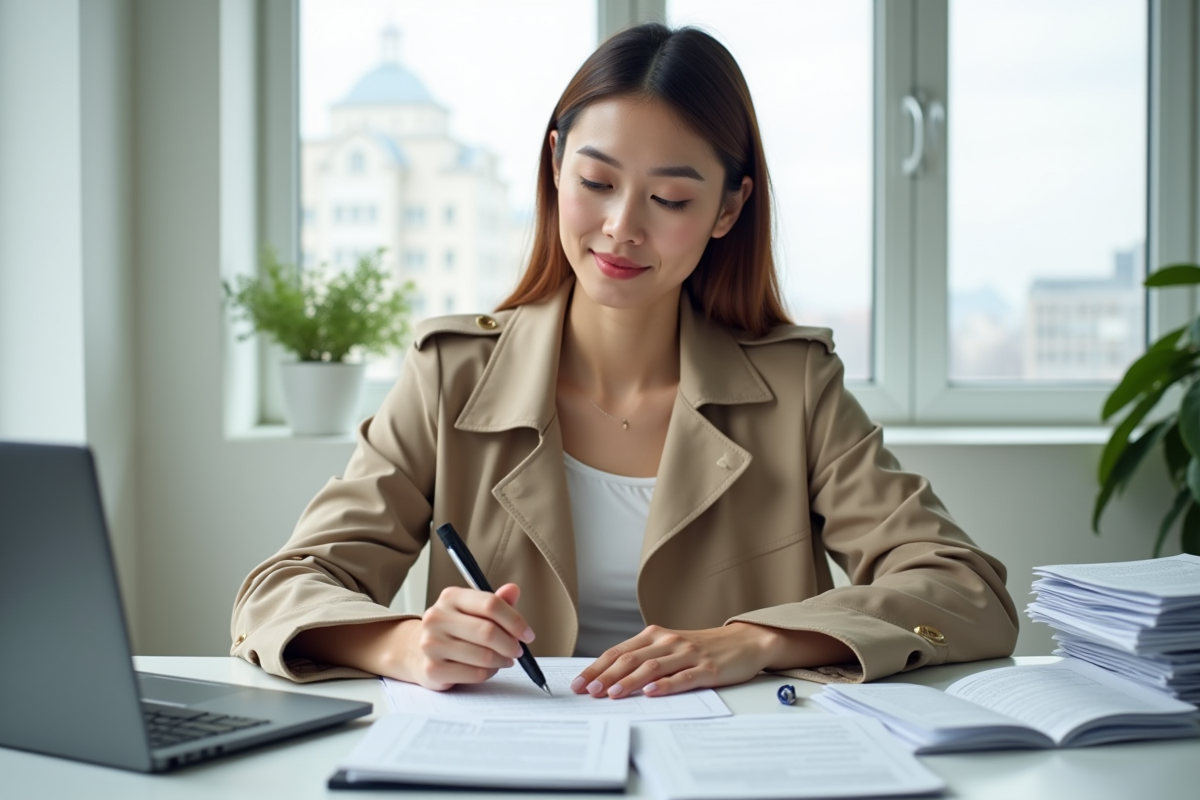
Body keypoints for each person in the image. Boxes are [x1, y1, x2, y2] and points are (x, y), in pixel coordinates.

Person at [231, 23, 1018, 697]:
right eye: (597, 181)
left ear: (729, 208)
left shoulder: (795, 386)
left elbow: (965, 591)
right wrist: (402, 644)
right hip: (504, 767)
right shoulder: (452, 374)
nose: (620, 227)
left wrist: (753, 640)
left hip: (732, 767)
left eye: (670, 199)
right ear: (554, 165)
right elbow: (278, 593)